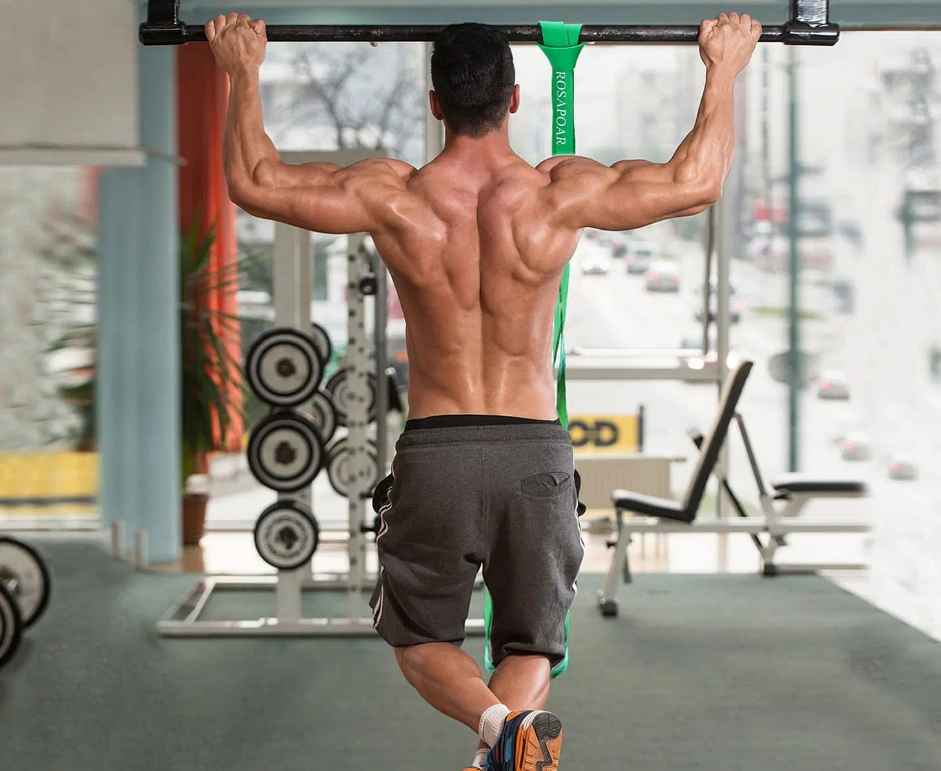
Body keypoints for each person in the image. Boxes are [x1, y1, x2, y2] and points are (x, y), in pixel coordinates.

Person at [206, 11, 761, 771]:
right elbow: (695, 183)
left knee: (419, 640)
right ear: (515, 98)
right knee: (532, 644)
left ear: (435, 103)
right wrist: (723, 69)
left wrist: (242, 70)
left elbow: (255, 182)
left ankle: (500, 731)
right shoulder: (558, 193)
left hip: (439, 453)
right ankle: (507, 734)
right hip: (535, 452)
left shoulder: (392, 195)